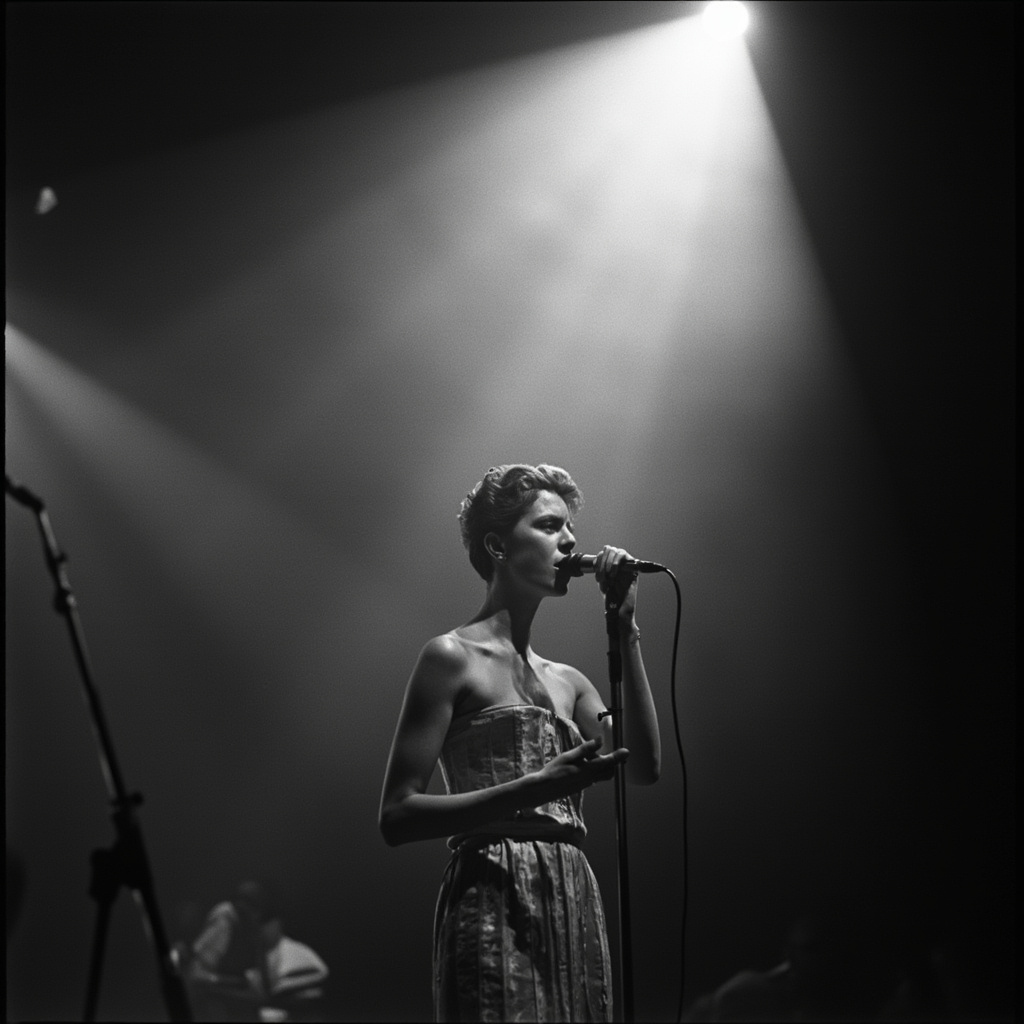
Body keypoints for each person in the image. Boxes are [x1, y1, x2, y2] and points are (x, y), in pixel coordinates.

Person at [379, 463, 661, 1023]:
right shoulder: (450, 657)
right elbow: (397, 815)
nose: (571, 541)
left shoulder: (570, 681)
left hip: (571, 894)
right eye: (550, 525)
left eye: (570, 528)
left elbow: (644, 766)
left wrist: (626, 632)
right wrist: (532, 788)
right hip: (491, 893)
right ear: (498, 544)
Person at [186, 879, 328, 1022]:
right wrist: (236, 985)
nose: (254, 923)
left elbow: (267, 993)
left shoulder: (293, 955)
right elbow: (197, 975)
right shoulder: (226, 916)